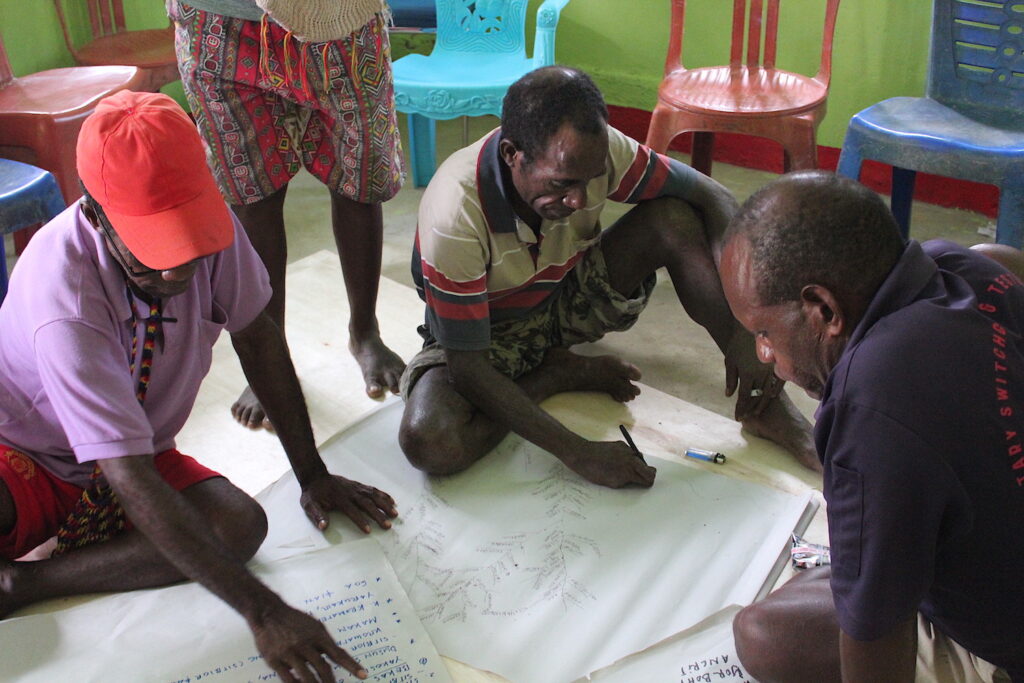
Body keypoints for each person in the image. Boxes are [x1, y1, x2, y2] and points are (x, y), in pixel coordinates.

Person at [0, 91, 398, 683]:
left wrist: (312, 474)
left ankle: (26, 581)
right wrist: (262, 611)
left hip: (141, 447)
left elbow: (258, 337)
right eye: (154, 251)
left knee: (241, 525)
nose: (175, 270)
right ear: (95, 213)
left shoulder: (212, 228)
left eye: (188, 246)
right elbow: (126, 476)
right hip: (30, 455)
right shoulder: (66, 296)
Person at [398, 65, 818, 489]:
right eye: (562, 183)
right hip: (489, 335)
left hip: (564, 297)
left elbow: (713, 195)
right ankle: (553, 375)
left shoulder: (594, 151)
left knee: (674, 219)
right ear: (512, 155)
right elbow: (467, 367)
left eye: (591, 179)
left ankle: (767, 406)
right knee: (429, 443)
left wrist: (749, 334)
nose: (580, 199)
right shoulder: (455, 211)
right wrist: (578, 452)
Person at [721, 171, 1023, 682]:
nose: (764, 354)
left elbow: (877, 638)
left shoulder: (873, 402)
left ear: (824, 310)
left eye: (765, 331)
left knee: (764, 634)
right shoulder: (970, 267)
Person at [167, 0, 406, 430]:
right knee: (250, 197)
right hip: (214, 22)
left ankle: (364, 331)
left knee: (358, 180)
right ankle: (271, 360)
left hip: (340, 19)